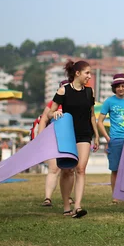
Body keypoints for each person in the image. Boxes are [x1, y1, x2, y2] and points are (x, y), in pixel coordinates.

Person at [48, 60, 100, 219]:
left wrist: (96, 135)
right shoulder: (64, 91)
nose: (89, 76)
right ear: (77, 73)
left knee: (81, 169)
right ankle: (66, 206)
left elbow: (92, 115)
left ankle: (77, 206)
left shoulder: (89, 92)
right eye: (87, 73)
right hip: (67, 135)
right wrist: (55, 113)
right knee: (67, 170)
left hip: (85, 134)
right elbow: (50, 112)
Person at [97, 73, 124, 203]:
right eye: (118, 86)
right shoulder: (109, 101)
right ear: (114, 88)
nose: (120, 88)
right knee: (115, 169)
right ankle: (116, 196)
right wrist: (107, 138)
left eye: (122, 86)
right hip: (115, 139)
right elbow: (99, 121)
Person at [35, 80, 73, 209]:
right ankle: (48, 198)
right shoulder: (53, 103)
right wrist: (40, 138)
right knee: (54, 168)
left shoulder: (76, 102)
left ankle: (67, 197)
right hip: (53, 139)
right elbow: (44, 119)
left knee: (69, 170)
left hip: (70, 141)